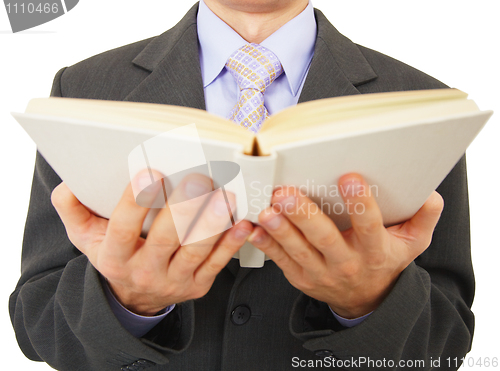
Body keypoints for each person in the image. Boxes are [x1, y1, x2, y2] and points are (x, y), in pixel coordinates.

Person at [9, 0, 474, 370]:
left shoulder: (424, 102)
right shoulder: (84, 89)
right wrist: (129, 304)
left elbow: (446, 342)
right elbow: (37, 324)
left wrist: (367, 305)